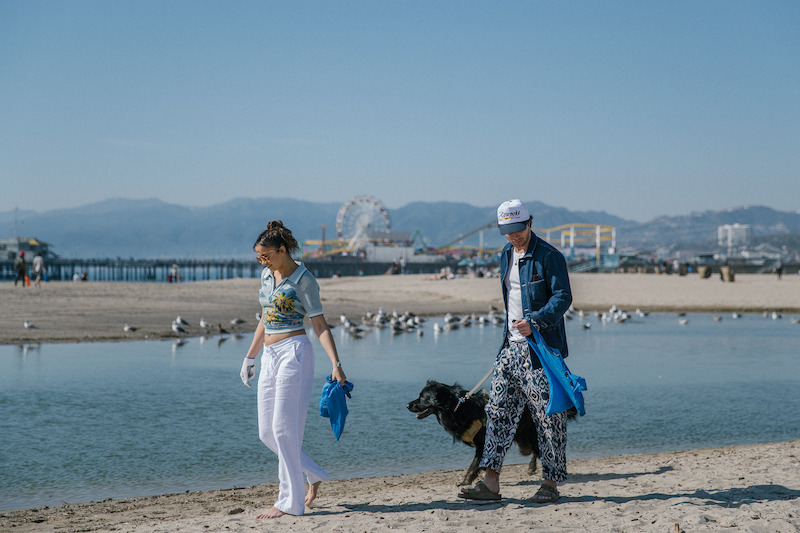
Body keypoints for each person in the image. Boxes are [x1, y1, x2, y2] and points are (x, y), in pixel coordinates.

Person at [460, 199, 572, 504]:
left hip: (541, 351)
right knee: (497, 414)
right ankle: (491, 484)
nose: (514, 235)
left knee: (549, 418)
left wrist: (535, 321)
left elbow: (563, 296)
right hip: (509, 349)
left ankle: (550, 483)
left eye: (519, 229)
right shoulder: (505, 254)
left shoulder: (550, 256)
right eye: (508, 231)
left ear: (529, 222)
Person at [239, 220, 347, 519]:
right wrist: (250, 357)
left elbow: (320, 325)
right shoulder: (266, 275)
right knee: (267, 433)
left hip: (294, 353)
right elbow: (265, 317)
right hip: (270, 355)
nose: (262, 261)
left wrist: (336, 364)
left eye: (266, 256)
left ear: (282, 250)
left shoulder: (304, 280)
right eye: (259, 257)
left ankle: (290, 502)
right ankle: (313, 473)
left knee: (284, 430)